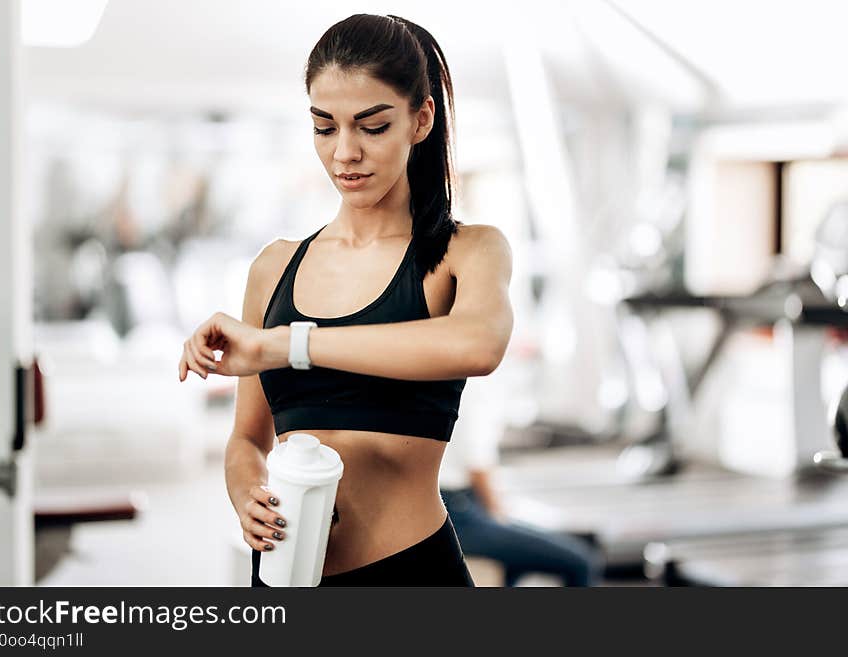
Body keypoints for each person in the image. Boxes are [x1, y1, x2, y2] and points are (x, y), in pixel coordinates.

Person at [177, 14, 513, 586]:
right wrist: (245, 491)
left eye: (372, 126)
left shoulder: (467, 251)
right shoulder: (274, 268)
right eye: (324, 127)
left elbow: (478, 343)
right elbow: (246, 439)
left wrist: (285, 345)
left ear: (420, 120)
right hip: (285, 580)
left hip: (409, 576)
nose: (345, 153)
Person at [440, 372, 605, 586]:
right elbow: (477, 467)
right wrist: (499, 515)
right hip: (460, 514)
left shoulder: (448, 381)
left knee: (516, 564)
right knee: (581, 561)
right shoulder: (471, 389)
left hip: (456, 506)